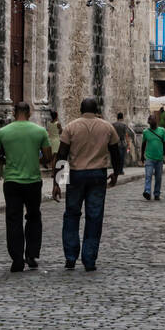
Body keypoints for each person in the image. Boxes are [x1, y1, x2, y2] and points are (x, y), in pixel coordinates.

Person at [52, 98, 121, 271]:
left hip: (76, 174)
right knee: (94, 217)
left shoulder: (71, 127)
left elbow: (62, 155)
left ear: (80, 109)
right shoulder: (107, 127)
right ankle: (89, 259)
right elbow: (116, 152)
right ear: (97, 109)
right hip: (98, 175)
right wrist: (116, 173)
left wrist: (57, 182)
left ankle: (70, 257)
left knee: (71, 215)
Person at [0, 102, 52, 273]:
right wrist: (35, 159)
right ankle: (31, 255)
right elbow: (47, 156)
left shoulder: (3, 132)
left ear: (13, 112)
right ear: (30, 112)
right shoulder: (40, 132)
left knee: (13, 219)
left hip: (11, 181)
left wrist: (7, 160)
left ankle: (17, 258)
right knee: (33, 217)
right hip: (32, 180)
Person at [141, 113, 165, 201]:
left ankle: (157, 193)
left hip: (159, 158)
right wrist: (142, 156)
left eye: (153, 119)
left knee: (158, 177)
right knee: (148, 175)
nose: (151, 121)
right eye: (150, 120)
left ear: (156, 121)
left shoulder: (162, 130)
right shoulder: (145, 132)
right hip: (149, 158)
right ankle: (147, 191)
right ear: (148, 122)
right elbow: (143, 144)